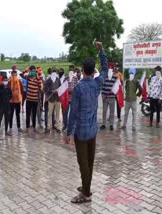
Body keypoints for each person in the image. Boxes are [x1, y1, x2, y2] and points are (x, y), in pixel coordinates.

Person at [65, 42, 108, 204]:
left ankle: (86, 194)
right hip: (92, 130)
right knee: (89, 161)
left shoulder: (79, 88)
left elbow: (73, 113)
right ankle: (85, 186)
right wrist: (101, 50)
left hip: (81, 133)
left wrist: (69, 132)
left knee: (83, 163)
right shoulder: (97, 83)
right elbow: (105, 68)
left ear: (83, 70)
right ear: (92, 70)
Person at [25, 65, 42, 133]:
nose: (33, 72)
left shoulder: (38, 79)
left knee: (34, 114)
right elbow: (23, 74)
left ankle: (34, 127)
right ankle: (27, 128)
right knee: (28, 114)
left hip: (35, 99)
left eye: (34, 71)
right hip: (28, 99)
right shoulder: (28, 78)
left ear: (36, 71)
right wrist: (28, 72)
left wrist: (37, 76)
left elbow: (40, 88)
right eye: (32, 70)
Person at [44, 69, 61, 133]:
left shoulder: (58, 80)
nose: (54, 73)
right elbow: (45, 89)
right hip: (51, 99)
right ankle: (49, 127)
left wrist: (57, 91)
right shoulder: (48, 80)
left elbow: (60, 87)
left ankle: (58, 127)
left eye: (55, 72)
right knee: (50, 113)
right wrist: (51, 91)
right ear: (51, 73)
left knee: (57, 113)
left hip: (57, 99)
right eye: (53, 72)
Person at [63, 65, 78, 131]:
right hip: (66, 98)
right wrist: (67, 91)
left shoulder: (75, 78)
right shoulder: (66, 78)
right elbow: (63, 87)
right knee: (65, 112)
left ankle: (72, 126)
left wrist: (73, 91)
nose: (71, 71)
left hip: (73, 98)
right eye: (70, 70)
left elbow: (77, 87)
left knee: (73, 113)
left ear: (74, 71)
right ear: (69, 70)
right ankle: (65, 125)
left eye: (72, 70)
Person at [9, 68, 23, 133]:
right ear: (11, 75)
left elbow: (22, 90)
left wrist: (19, 96)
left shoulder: (19, 81)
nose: (14, 76)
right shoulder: (9, 82)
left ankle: (19, 127)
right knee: (11, 114)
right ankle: (10, 127)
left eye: (15, 74)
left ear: (16, 75)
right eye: (13, 75)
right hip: (11, 101)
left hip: (18, 100)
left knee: (18, 114)